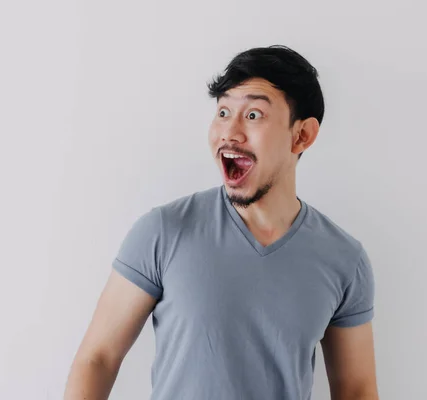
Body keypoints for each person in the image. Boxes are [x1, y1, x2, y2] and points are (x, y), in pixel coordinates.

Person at [64, 45, 378, 400]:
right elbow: (98, 359)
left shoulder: (344, 260)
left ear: (302, 135)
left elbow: (357, 389)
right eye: (224, 111)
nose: (230, 132)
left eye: (254, 115)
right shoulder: (163, 232)